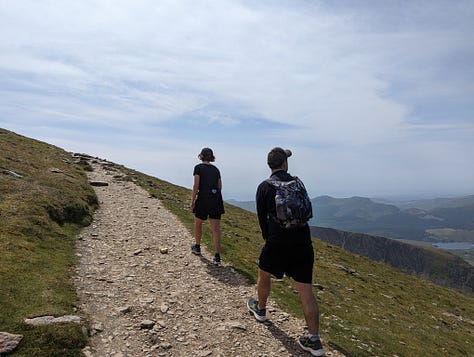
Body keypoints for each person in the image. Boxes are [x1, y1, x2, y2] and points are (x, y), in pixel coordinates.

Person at [247, 147, 325, 357]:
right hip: (302, 241)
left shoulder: (264, 187)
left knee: (264, 273)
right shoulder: (298, 183)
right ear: (284, 164)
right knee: (305, 290)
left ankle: (261, 310)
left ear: (270, 165)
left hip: (277, 241)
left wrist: (269, 238)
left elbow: (262, 218)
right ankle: (314, 341)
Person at [190, 147, 225, 265]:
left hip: (203, 199)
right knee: (215, 228)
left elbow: (196, 185)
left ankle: (197, 247)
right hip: (216, 199)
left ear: (201, 156)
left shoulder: (198, 168)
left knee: (198, 223)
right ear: (211, 157)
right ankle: (217, 256)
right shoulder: (216, 169)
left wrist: (192, 202)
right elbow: (220, 186)